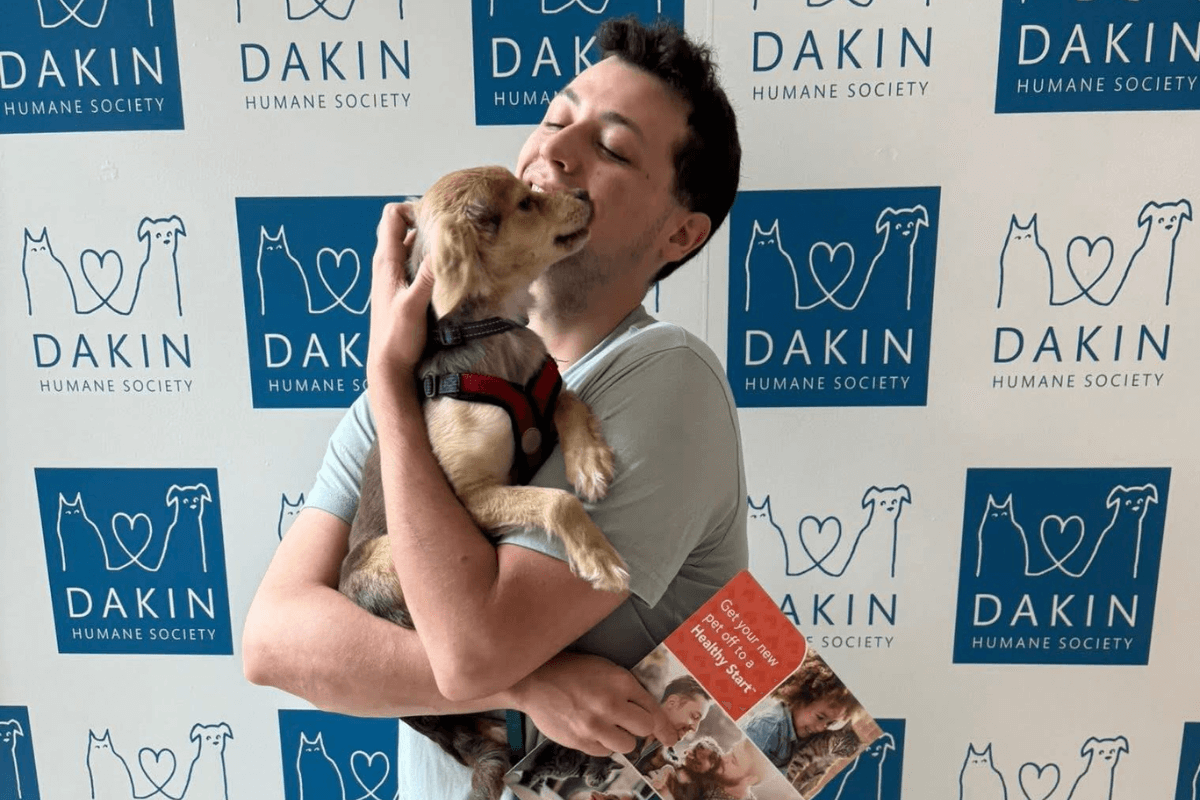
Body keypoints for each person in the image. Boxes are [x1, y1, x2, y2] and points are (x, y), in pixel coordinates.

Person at [241, 14, 746, 800]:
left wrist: (390, 388)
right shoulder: (415, 376)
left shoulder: (666, 380)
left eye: (610, 149)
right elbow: (274, 641)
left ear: (679, 234)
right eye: (554, 118)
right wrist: (528, 686)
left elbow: (470, 651)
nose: (554, 153)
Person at [741, 654, 862, 771]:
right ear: (801, 699)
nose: (821, 728)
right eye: (820, 717)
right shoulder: (769, 727)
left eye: (830, 723)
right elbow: (743, 767)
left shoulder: (798, 732)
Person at [630, 676, 713, 773]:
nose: (695, 728)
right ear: (672, 703)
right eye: (694, 716)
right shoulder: (628, 720)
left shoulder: (671, 766)